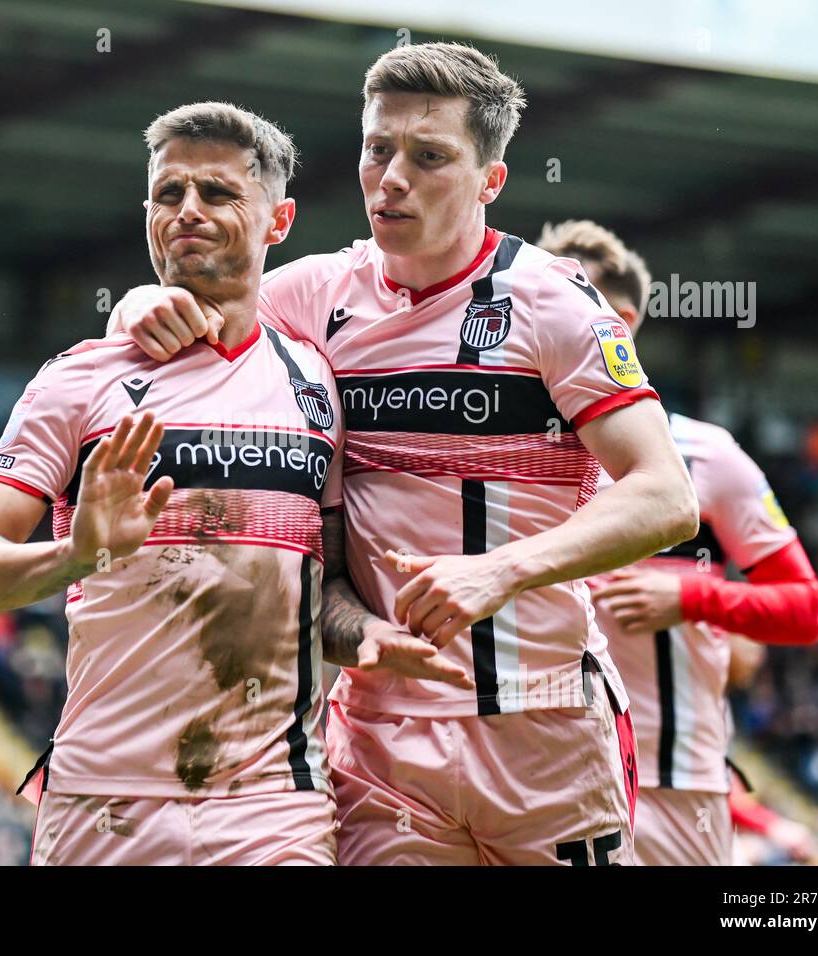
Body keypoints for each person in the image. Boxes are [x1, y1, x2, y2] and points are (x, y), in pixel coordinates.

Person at [108, 43, 699, 865]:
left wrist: (503, 570)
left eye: (429, 158)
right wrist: (141, 303)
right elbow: (192, 315)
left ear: (491, 181)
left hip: (542, 725)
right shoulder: (312, 297)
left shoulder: (552, 302)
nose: (391, 178)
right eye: (377, 149)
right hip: (380, 736)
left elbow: (666, 497)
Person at [0, 102, 351, 865]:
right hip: (101, 805)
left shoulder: (317, 380)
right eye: (168, 193)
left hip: (272, 807)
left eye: (219, 193)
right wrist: (73, 558)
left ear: (278, 220)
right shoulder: (77, 379)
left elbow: (332, 590)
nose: (187, 211)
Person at [537, 218, 818, 865]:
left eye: (569, 298)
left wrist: (695, 596)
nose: (547, 317)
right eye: (537, 299)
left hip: (676, 792)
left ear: (625, 320)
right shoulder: (510, 457)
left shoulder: (704, 455)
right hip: (540, 778)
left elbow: (804, 609)